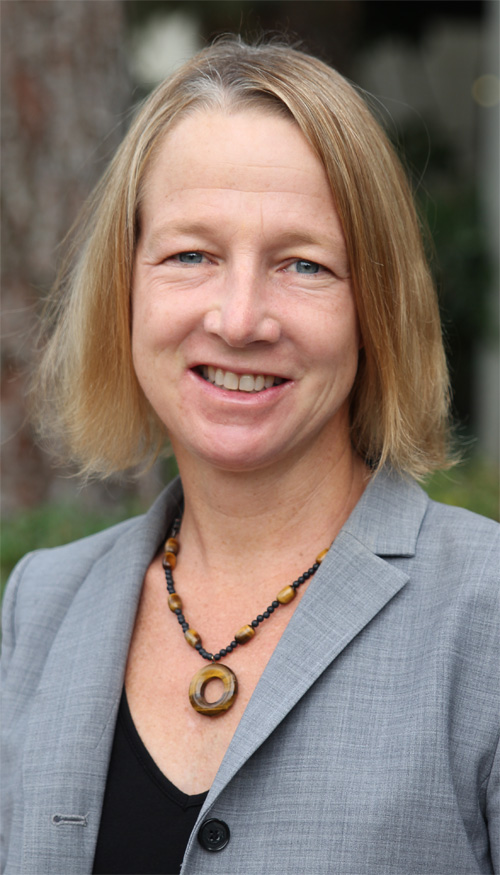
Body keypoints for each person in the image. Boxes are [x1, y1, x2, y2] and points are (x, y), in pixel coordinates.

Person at [1, 37, 498, 875]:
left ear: (374, 306)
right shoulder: (37, 610)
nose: (238, 319)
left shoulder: (484, 614)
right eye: (190, 255)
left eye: (303, 264)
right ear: (126, 288)